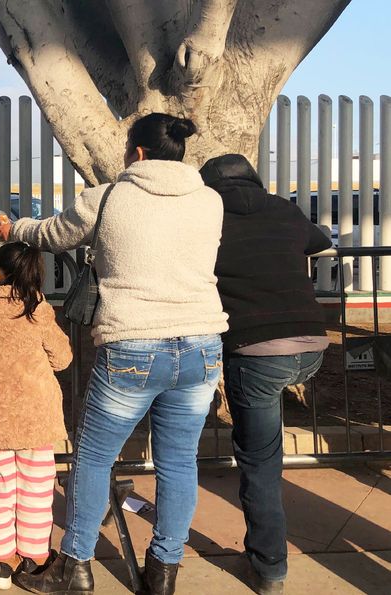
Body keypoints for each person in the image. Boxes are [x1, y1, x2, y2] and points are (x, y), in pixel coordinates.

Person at [0, 113, 229, 595]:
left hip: (134, 342)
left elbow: (55, 234)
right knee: (180, 462)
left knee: (95, 458)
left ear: (137, 153)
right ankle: (163, 572)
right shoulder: (210, 200)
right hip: (203, 342)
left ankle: (75, 565)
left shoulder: (109, 197)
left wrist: (12, 228)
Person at [199, 154, 332, 595]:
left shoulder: (208, 218)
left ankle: (269, 567)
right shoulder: (284, 208)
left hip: (255, 350)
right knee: (266, 444)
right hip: (311, 344)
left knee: (260, 462)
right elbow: (319, 241)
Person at [0, 242, 72, 590]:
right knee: (36, 488)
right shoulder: (37, 309)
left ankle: (0, 561)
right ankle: (36, 556)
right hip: (35, 417)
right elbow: (63, 358)